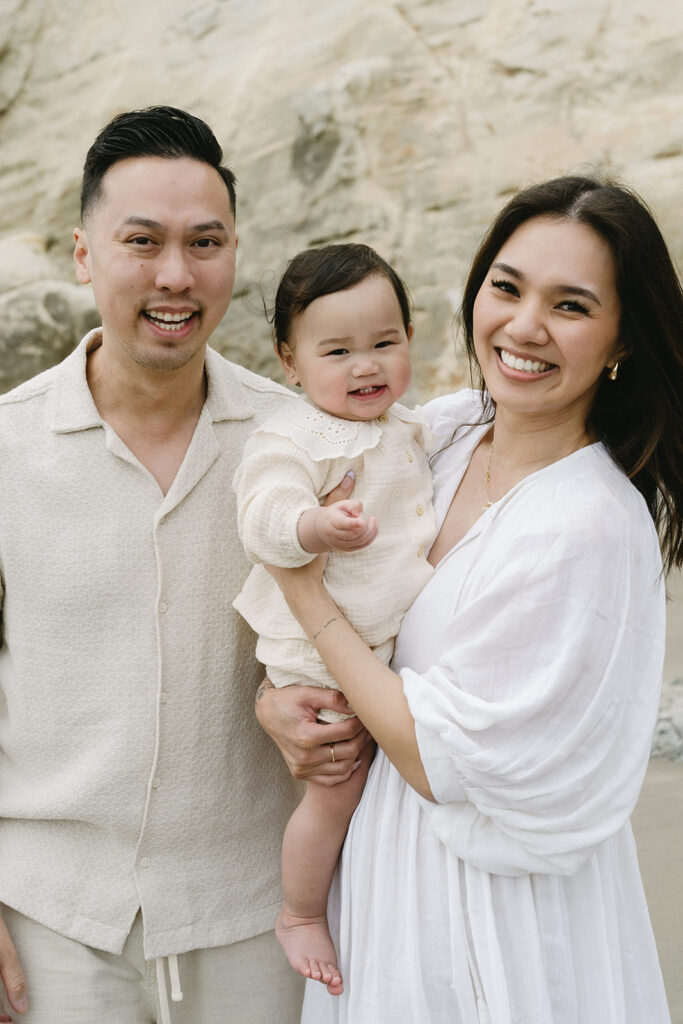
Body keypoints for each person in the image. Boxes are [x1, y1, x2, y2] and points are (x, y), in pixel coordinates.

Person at [256, 175, 682, 1022]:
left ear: (621, 339)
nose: (523, 327)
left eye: (570, 305)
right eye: (507, 287)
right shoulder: (441, 434)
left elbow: (427, 752)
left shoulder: (586, 523)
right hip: (381, 869)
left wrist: (302, 598)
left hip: (494, 909)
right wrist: (276, 699)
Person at [0, 105, 368, 1024]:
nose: (176, 275)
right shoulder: (6, 446)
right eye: (141, 241)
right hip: (52, 918)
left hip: (258, 918)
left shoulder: (300, 441)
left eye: (206, 243)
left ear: (236, 252)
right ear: (84, 253)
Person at [233, 243, 437, 993]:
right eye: (337, 350)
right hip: (318, 654)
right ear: (289, 362)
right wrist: (312, 529)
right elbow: (262, 515)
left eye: (384, 343)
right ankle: (300, 911)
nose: (365, 366)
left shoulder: (409, 426)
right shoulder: (291, 437)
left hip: (374, 640)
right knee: (338, 785)